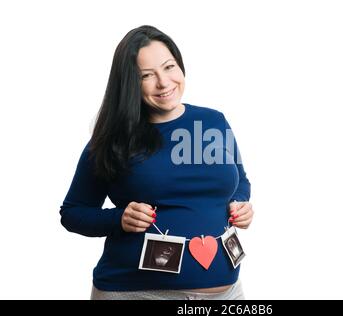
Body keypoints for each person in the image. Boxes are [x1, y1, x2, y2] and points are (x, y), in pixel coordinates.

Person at [59, 25, 254, 300]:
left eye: (169, 67)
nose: (164, 82)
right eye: (147, 76)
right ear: (130, 84)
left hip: (228, 294)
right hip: (138, 292)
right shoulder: (113, 139)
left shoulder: (213, 122)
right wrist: (119, 218)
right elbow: (73, 212)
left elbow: (240, 180)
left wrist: (240, 203)